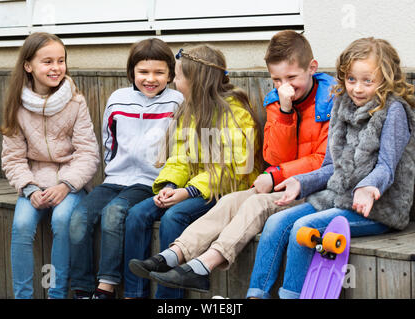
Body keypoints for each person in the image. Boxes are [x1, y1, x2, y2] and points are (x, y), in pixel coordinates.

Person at [130, 30, 336, 293]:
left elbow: (324, 160)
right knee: (229, 202)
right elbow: (276, 157)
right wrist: (285, 113)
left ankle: (203, 266)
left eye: (292, 78)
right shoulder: (278, 101)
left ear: (312, 68)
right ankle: (173, 256)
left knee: (254, 204)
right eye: (276, 79)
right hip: (280, 183)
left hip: (313, 189)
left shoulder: (331, 102)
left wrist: (275, 175)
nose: (285, 85)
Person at [246, 37, 415, 299]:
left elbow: (386, 167)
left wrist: (368, 188)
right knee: (276, 222)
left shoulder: (393, 111)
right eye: (351, 80)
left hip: (377, 210)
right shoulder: (341, 105)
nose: (357, 88)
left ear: (386, 78)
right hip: (337, 198)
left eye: (367, 81)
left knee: (304, 229)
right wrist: (301, 182)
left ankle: (290, 296)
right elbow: (330, 166)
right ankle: (255, 295)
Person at [125, 44, 262, 299]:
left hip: (225, 190)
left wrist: (187, 192)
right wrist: (169, 186)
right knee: (137, 214)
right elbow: (180, 158)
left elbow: (232, 168)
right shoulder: (188, 110)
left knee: (173, 217)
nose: (175, 82)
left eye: (177, 76)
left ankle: (168, 297)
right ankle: (134, 292)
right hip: (193, 187)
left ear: (195, 80)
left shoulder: (235, 114)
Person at [68, 38, 184, 299]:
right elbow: (109, 139)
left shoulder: (177, 102)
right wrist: (113, 168)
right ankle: (82, 289)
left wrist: (169, 180)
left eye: (159, 72)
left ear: (170, 74)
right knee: (78, 218)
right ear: (132, 71)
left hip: (150, 180)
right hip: (115, 177)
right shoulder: (118, 98)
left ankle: (105, 287)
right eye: (143, 72)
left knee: (114, 213)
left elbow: (181, 146)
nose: (150, 79)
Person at [0, 32, 100, 299]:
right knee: (21, 225)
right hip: (32, 181)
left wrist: (67, 185)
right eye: (47, 62)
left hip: (69, 181)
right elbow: (13, 158)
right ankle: (23, 295)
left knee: (62, 219)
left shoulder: (75, 102)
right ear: (28, 66)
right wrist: (30, 188)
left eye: (61, 60)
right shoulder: (16, 105)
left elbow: (88, 152)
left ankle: (56, 294)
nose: (56, 68)